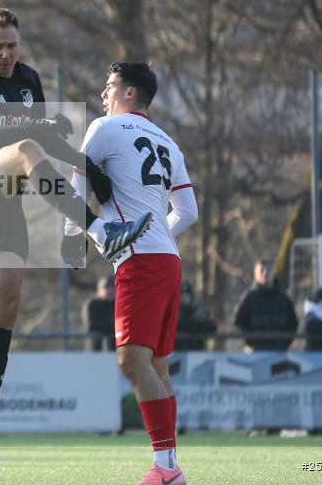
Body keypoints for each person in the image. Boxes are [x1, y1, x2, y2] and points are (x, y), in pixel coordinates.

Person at [0, 8, 152, 469]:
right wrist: (41, 131)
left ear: (20, 44)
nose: (4, 53)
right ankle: (100, 233)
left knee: (6, 301)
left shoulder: (28, 80)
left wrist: (86, 165)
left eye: (11, 45)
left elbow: (43, 140)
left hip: (7, 196)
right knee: (25, 147)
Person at [71, 62, 198, 485]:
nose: (103, 94)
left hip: (140, 260)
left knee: (131, 360)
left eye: (109, 87)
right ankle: (170, 468)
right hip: (168, 258)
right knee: (157, 366)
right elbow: (189, 212)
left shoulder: (104, 128)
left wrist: (79, 238)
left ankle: (164, 467)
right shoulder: (169, 143)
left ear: (129, 93)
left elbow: (75, 186)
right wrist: (157, 229)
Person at [234, 261, 298, 352]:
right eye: (261, 270)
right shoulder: (248, 299)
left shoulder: (284, 298)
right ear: (255, 274)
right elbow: (239, 323)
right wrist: (250, 342)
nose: (265, 273)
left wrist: (285, 342)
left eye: (268, 270)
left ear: (273, 273)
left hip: (280, 350)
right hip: (255, 351)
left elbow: (293, 323)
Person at [175, 280, 217, 351]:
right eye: (182, 295)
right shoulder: (174, 309)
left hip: (196, 350)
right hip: (177, 349)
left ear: (191, 296)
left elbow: (212, 327)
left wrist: (190, 325)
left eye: (186, 295)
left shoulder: (198, 308)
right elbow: (174, 327)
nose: (184, 298)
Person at [83, 276, 116, 351]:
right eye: (106, 287)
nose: (110, 290)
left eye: (112, 287)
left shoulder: (119, 305)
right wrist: (114, 325)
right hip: (95, 352)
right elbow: (92, 325)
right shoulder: (92, 304)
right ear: (99, 290)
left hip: (115, 352)